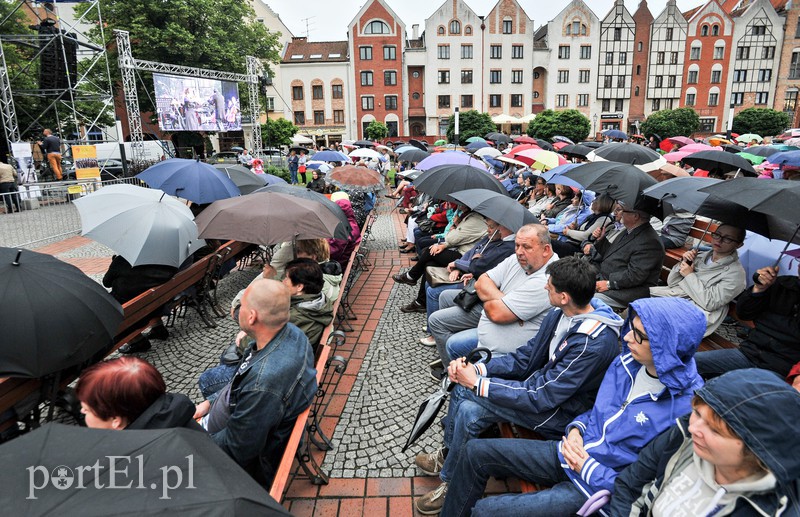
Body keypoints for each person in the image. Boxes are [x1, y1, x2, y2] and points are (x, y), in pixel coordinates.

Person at [440, 297, 706, 517]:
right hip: (570, 452)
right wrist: (578, 429)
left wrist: (589, 468)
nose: (627, 339)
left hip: (594, 488)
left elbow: (651, 485)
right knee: (476, 452)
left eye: (640, 336)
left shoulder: (685, 410)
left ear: (666, 348)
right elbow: (597, 411)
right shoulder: (625, 365)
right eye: (630, 329)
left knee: (487, 511)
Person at [414, 257, 624, 515]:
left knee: (464, 389)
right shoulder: (561, 314)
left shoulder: (593, 342)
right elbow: (526, 357)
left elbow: (541, 397)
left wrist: (477, 382)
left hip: (560, 415)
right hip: (539, 395)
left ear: (564, 296)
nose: (545, 287)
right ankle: (453, 473)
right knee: (470, 410)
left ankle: (448, 470)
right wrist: (479, 369)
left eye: (550, 285)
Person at [611, 368, 800, 516]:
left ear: (757, 450)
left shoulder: (774, 510)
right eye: (697, 413)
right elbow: (629, 486)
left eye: (715, 430)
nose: (694, 428)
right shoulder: (684, 434)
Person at [195, 278, 317, 487]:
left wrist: (194, 441)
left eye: (242, 305)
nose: (238, 310)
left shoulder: (263, 383)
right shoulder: (291, 333)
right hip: (223, 416)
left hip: (227, 451)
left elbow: (237, 449)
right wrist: (210, 403)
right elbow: (239, 378)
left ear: (251, 317)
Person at [427, 224, 558, 373]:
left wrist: (494, 299)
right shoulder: (518, 259)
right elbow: (482, 281)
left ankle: (456, 377)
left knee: (446, 334)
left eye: (526, 247)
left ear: (546, 250)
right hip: (489, 331)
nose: (519, 252)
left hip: (507, 355)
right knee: (451, 338)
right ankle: (453, 371)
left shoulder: (547, 279)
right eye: (517, 245)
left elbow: (496, 313)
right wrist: (504, 300)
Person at [695, 262, 800, 379]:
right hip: (749, 353)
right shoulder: (783, 284)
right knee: (688, 364)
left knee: (729, 388)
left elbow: (793, 335)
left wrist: (768, 320)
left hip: (781, 369)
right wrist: (759, 289)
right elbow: (744, 313)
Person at [419, 221, 516, 346]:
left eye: (491, 227)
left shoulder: (506, 247)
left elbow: (480, 267)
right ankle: (439, 333)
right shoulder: (490, 239)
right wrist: (460, 266)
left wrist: (467, 266)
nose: (488, 230)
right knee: (432, 283)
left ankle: (437, 333)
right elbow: (471, 255)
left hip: (478, 292)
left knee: (434, 291)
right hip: (472, 278)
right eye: (488, 226)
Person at [650, 224, 746, 336]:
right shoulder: (700, 256)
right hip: (677, 299)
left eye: (728, 238)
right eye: (717, 235)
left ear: (739, 245)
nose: (719, 240)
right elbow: (673, 282)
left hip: (697, 313)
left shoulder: (736, 274)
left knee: (645, 315)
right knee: (637, 306)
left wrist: (690, 275)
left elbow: (710, 303)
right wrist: (684, 262)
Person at [392, 208, 487, 314]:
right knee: (429, 263)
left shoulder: (475, 220)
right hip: (458, 250)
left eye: (461, 203)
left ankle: (411, 276)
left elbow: (451, 238)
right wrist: (448, 238)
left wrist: (454, 227)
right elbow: (451, 238)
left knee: (429, 251)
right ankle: (420, 302)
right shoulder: (469, 216)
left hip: (462, 256)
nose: (458, 205)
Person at [76, 357, 202, 431]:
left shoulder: (127, 462)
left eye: (87, 409)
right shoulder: (177, 417)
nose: (82, 411)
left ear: (116, 420)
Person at [584, 205, 665, 309]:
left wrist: (609, 284)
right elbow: (612, 253)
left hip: (626, 291)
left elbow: (635, 275)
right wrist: (601, 240)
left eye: (624, 210)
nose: (620, 213)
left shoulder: (650, 242)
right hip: (606, 279)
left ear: (635, 216)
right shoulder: (628, 231)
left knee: (587, 302)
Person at [102, 255, 178, 354]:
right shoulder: (163, 259)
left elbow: (106, 282)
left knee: (111, 308)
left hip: (132, 316)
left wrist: (114, 264)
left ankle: (137, 341)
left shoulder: (122, 261)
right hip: (158, 307)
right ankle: (158, 327)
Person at [551, 193, 615, 258]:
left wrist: (568, 232)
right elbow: (582, 230)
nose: (592, 201)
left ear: (602, 204)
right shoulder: (593, 216)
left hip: (579, 248)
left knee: (550, 243)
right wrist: (575, 227)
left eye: (596, 200)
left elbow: (585, 236)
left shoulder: (604, 219)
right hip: (570, 242)